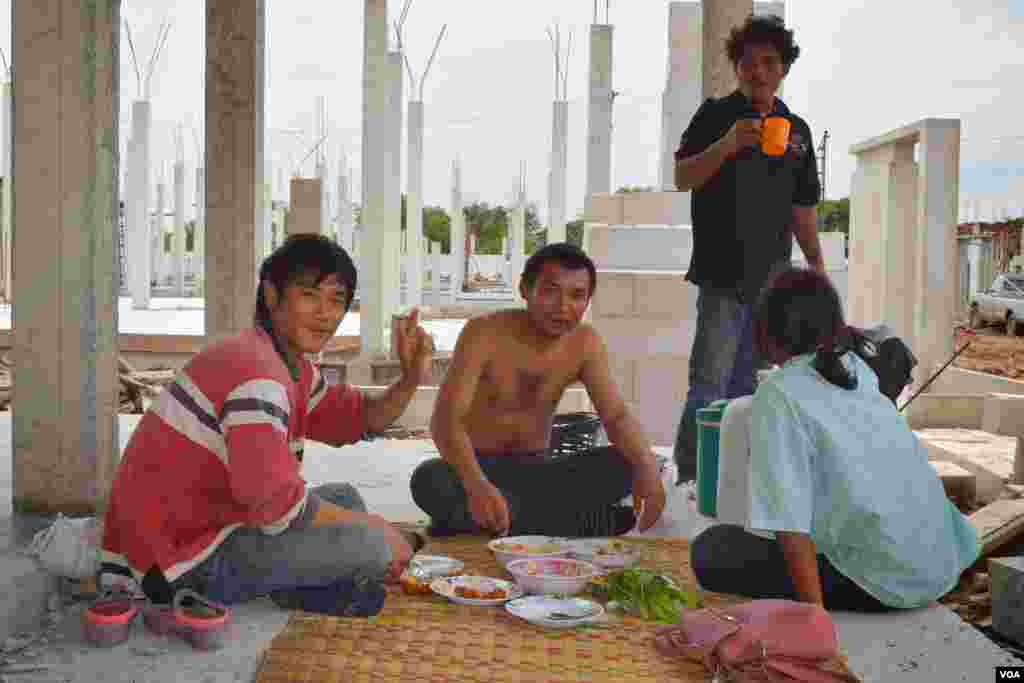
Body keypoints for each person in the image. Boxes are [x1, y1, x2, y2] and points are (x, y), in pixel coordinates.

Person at [99, 234, 435, 617]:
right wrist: (380, 530)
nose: (325, 313)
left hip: (217, 525)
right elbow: (276, 506)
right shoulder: (257, 375)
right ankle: (308, 585)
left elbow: (357, 418)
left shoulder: (285, 364)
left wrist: (411, 377)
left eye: (336, 299)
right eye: (309, 295)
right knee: (369, 543)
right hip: (173, 561)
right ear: (272, 295)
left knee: (345, 499)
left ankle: (303, 586)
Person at [690, 267, 980, 612]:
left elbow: (787, 521)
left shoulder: (779, 393)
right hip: (939, 566)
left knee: (712, 548)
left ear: (767, 331)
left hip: (884, 581)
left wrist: (813, 613)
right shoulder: (857, 368)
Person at [411, 243, 665, 538]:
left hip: (539, 471)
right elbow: (445, 422)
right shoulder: (483, 332)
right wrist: (477, 486)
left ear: (588, 300)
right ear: (525, 289)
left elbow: (616, 416)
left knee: (626, 462)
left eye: (577, 295)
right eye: (550, 291)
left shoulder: (585, 342)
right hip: (477, 466)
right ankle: (567, 522)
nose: (563, 307)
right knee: (429, 479)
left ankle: (503, 518)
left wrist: (646, 468)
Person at [672, 14, 825, 483]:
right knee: (709, 382)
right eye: (747, 62)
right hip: (721, 274)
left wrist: (816, 264)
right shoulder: (715, 115)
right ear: (736, 67)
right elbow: (682, 177)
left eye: (768, 62)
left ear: (784, 68)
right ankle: (690, 476)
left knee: (750, 387)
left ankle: (733, 480)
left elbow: (802, 206)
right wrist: (728, 143)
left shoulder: (797, 130)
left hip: (772, 281)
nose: (757, 71)